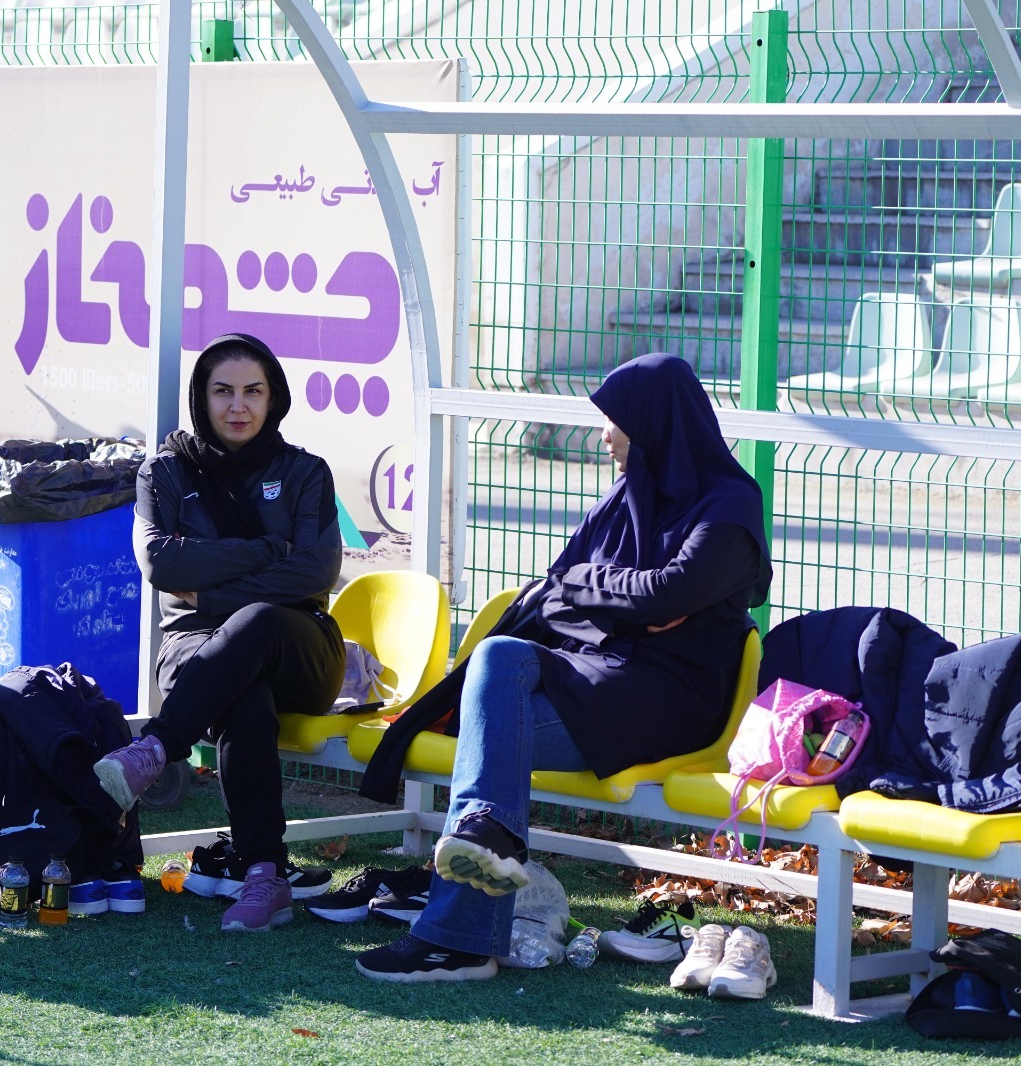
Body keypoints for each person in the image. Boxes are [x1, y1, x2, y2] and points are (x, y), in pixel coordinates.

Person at [354, 352, 772, 982]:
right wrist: (625, 602)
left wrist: (607, 593)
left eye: (616, 421)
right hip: (596, 682)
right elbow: (557, 591)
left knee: (495, 720)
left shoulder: (730, 504)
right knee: (498, 655)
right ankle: (483, 857)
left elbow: (666, 593)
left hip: (668, 701)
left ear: (653, 423)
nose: (605, 436)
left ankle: (460, 934)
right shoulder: (621, 499)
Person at [93, 333, 345, 933]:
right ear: (200, 399)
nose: (238, 406)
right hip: (195, 645)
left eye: (253, 391)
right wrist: (269, 550)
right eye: (222, 391)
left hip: (299, 644)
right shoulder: (165, 471)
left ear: (273, 398)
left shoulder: (305, 472)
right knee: (245, 699)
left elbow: (316, 570)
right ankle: (265, 876)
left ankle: (157, 748)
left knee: (258, 621)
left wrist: (210, 590)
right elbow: (162, 564)